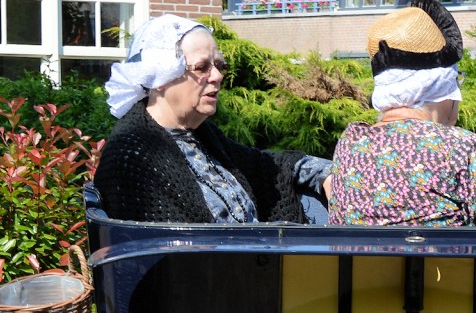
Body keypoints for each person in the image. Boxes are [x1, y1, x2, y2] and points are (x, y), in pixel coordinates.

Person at [327, 0, 476, 227]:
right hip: (441, 270)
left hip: (364, 268)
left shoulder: (350, 144)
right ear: (442, 86)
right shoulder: (462, 148)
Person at [95, 14, 329, 223]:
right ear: (160, 76)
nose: (217, 76)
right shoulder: (133, 155)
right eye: (202, 67)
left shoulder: (202, 135)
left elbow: (265, 164)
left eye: (218, 65)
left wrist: (328, 174)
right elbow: (176, 254)